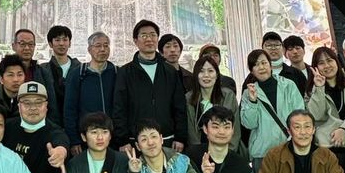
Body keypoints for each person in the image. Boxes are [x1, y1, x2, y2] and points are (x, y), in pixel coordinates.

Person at [112, 20, 187, 151]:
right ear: (135, 41)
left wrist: (180, 137)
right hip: (136, 141)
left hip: (167, 139)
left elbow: (179, 106)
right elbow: (119, 108)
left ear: (157, 39)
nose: (149, 39)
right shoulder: (125, 72)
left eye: (153, 35)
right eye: (144, 35)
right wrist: (122, 140)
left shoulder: (170, 71)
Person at [3, 81, 69, 173]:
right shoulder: (6, 128)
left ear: (46, 106)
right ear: (19, 106)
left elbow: (61, 143)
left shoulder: (54, 132)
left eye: (38, 102)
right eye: (27, 103)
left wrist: (60, 152)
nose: (33, 108)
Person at [239, 49, 301, 171]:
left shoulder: (288, 85)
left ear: (270, 65)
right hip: (262, 153)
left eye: (264, 63)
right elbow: (249, 124)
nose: (261, 67)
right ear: (251, 70)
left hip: (289, 148)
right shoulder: (248, 93)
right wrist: (252, 102)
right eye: (256, 65)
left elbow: (299, 115)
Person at [64, 31, 117, 155]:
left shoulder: (116, 72)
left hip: (112, 137)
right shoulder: (78, 74)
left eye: (106, 45)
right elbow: (69, 109)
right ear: (89, 49)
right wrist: (74, 139)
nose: (102, 49)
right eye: (98, 46)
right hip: (86, 138)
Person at [185, 54, 241, 152]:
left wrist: (229, 152)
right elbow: (190, 131)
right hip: (199, 152)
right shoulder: (189, 98)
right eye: (201, 71)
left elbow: (235, 127)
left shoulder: (228, 95)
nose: (206, 75)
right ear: (196, 75)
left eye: (210, 71)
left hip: (226, 150)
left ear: (217, 75)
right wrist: (198, 153)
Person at [9, 28, 58, 111]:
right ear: (14, 46)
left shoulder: (43, 73)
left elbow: (52, 104)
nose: (27, 48)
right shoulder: (4, 72)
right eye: (22, 44)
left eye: (31, 44)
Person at [46, 25, 80, 126]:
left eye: (65, 40)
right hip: (51, 123)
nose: (61, 43)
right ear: (50, 44)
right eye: (57, 40)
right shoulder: (43, 70)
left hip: (76, 122)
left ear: (70, 43)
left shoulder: (80, 69)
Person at [259, 31, 307, 97]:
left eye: (277, 45)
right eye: (269, 45)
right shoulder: (254, 76)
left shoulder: (297, 74)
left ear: (283, 49)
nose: (273, 48)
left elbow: (305, 100)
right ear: (262, 49)